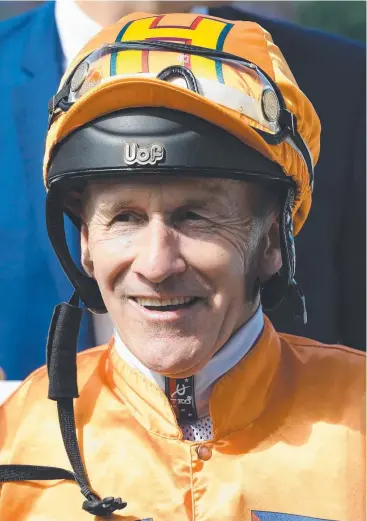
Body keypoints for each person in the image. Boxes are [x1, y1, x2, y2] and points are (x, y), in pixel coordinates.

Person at [0, 12, 364, 521]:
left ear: (273, 240)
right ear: (83, 240)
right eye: (124, 217)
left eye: (195, 217)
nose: (156, 263)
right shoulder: (14, 442)